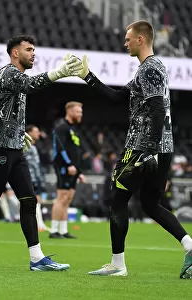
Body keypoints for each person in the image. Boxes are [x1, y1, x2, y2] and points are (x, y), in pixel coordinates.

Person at [0, 35, 83, 271]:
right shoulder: (8, 73)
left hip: (14, 148)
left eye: (34, 49)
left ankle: (37, 258)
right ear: (15, 53)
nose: (34, 53)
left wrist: (19, 134)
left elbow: (2, 110)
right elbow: (29, 86)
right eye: (29, 49)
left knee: (29, 200)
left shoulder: (17, 77)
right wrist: (59, 72)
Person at [76, 20, 192, 278]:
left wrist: (148, 147)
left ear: (141, 39)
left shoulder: (149, 70)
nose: (125, 43)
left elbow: (159, 109)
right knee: (151, 204)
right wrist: (87, 76)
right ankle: (190, 247)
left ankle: (118, 265)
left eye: (128, 39)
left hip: (143, 146)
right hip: (163, 148)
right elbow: (117, 97)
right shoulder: (150, 70)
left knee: (117, 198)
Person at [50, 102, 86, 239]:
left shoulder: (73, 129)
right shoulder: (61, 127)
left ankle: (63, 230)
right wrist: (69, 164)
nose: (80, 114)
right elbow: (60, 148)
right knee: (61, 197)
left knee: (68, 198)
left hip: (74, 169)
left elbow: (76, 151)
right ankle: (54, 230)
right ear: (69, 111)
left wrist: (79, 171)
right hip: (63, 166)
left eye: (81, 112)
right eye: (78, 111)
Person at [25, 124, 50, 232]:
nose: (38, 133)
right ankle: (38, 224)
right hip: (30, 178)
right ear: (29, 133)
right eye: (36, 131)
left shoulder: (35, 147)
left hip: (35, 178)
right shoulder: (27, 147)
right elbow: (31, 165)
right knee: (34, 201)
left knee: (36, 201)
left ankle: (39, 224)